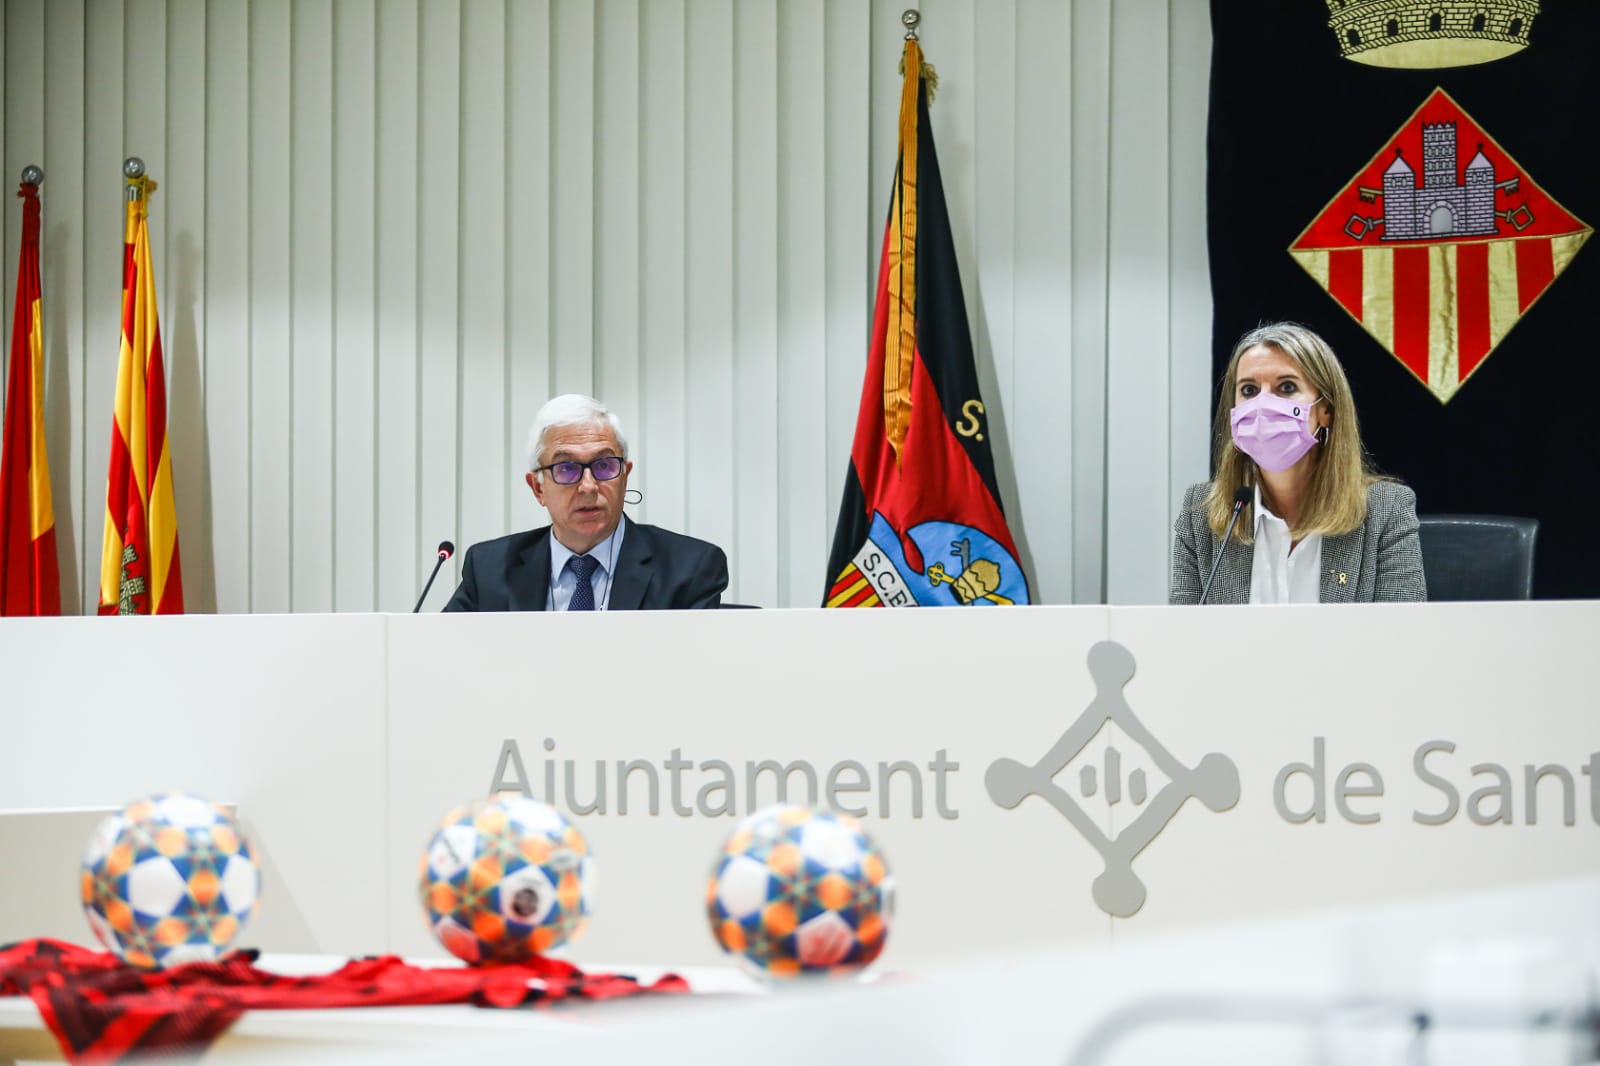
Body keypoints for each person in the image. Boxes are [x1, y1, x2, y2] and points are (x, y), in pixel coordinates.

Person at [1170, 322, 1426, 605]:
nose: (1263, 405)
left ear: (1326, 409)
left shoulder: (1386, 510)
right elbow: (1183, 630)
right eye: (1249, 390)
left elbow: (1403, 630)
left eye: (1286, 387)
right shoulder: (1201, 516)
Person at [443, 395, 728, 611]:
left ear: (624, 476)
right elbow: (443, 656)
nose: (589, 486)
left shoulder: (689, 568)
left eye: (604, 466)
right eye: (566, 468)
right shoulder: (490, 569)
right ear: (538, 488)